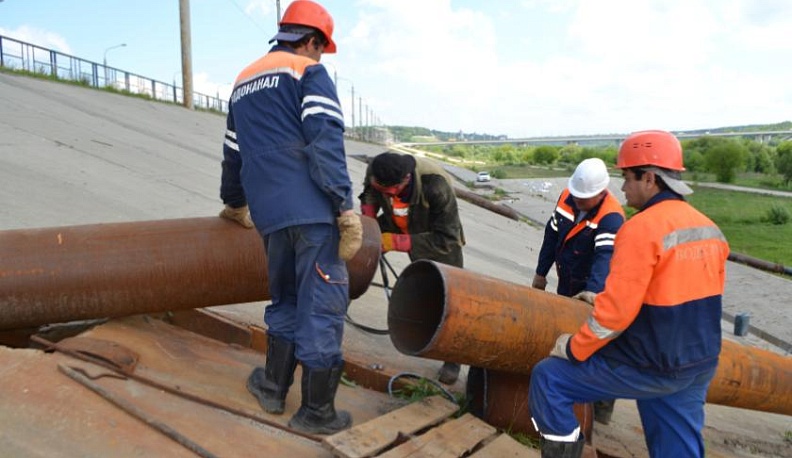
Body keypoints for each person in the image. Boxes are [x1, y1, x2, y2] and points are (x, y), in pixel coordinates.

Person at [528, 130, 729, 458]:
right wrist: (599, 296)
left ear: (650, 178)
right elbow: (680, 293)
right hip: (700, 363)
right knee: (675, 445)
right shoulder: (710, 230)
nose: (622, 188)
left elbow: (616, 317)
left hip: (652, 363)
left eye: (627, 178)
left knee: (549, 378)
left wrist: (574, 349)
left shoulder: (639, 228)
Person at [219, 0, 362, 435]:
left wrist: (234, 202)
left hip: (269, 217)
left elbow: (233, 153)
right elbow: (324, 140)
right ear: (312, 40)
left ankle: (272, 388)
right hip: (313, 214)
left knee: (284, 300)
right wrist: (344, 206)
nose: (320, 56)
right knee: (321, 307)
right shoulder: (308, 72)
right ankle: (316, 413)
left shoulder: (243, 81)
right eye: (321, 48)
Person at [531, 157, 625, 425]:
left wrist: (591, 296)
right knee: (565, 336)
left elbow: (604, 259)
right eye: (577, 196)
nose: (579, 201)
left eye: (585, 199)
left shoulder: (611, 217)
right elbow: (551, 237)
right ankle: (568, 392)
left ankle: (602, 407)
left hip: (595, 288)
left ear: (601, 193)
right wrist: (540, 273)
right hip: (567, 280)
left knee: (599, 345)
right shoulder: (566, 198)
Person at [359, 151, 466, 384]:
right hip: (397, 222)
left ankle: (452, 358)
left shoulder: (435, 187)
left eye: (388, 192)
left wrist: (396, 242)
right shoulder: (378, 168)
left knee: (451, 297)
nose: (382, 193)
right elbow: (369, 192)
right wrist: (369, 223)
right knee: (358, 254)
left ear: (404, 182)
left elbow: (447, 237)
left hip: (437, 239)